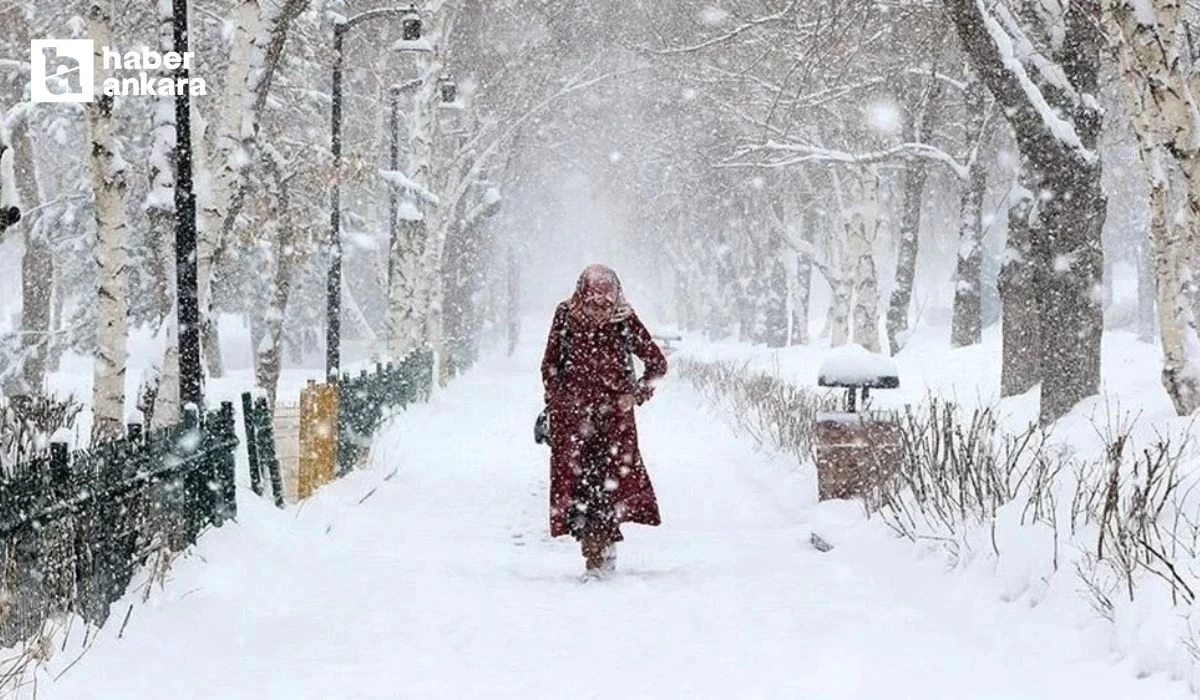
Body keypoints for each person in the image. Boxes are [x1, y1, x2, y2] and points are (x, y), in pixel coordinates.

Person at [540, 264, 668, 579]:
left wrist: (635, 395)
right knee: (582, 489)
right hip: (575, 423)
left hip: (614, 425)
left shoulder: (624, 320)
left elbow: (657, 364)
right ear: (581, 294)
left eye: (604, 302)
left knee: (606, 487)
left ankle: (600, 553)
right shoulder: (565, 315)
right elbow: (550, 364)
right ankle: (594, 552)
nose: (598, 309)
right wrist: (559, 400)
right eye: (592, 301)